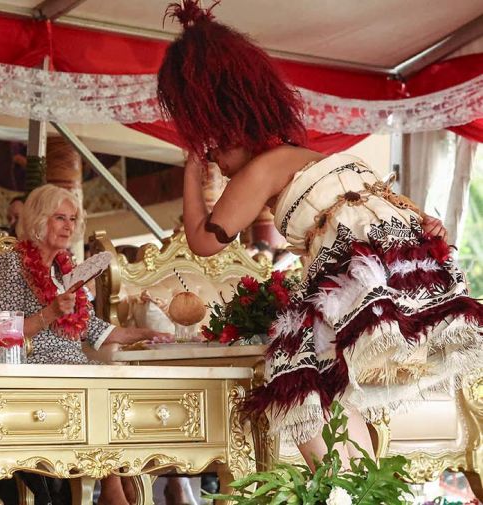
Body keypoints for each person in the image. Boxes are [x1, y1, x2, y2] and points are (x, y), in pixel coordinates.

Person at [157, 0, 483, 468]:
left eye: (216, 153)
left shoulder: (262, 170)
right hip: (398, 263)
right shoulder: (309, 157)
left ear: (229, 131)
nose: (219, 168)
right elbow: (387, 206)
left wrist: (189, 168)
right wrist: (428, 227)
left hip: (359, 271)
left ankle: (341, 491)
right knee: (323, 380)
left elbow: (203, 242)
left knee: (296, 375)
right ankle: (356, 489)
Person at [0, 184, 172, 505]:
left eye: (73, 219)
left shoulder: (65, 270)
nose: (69, 226)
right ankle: (114, 492)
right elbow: (7, 330)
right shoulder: (11, 266)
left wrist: (139, 333)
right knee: (98, 389)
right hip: (34, 366)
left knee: (118, 387)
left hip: (75, 366)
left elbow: (89, 327)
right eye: (60, 217)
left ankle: (126, 486)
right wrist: (50, 312)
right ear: (37, 218)